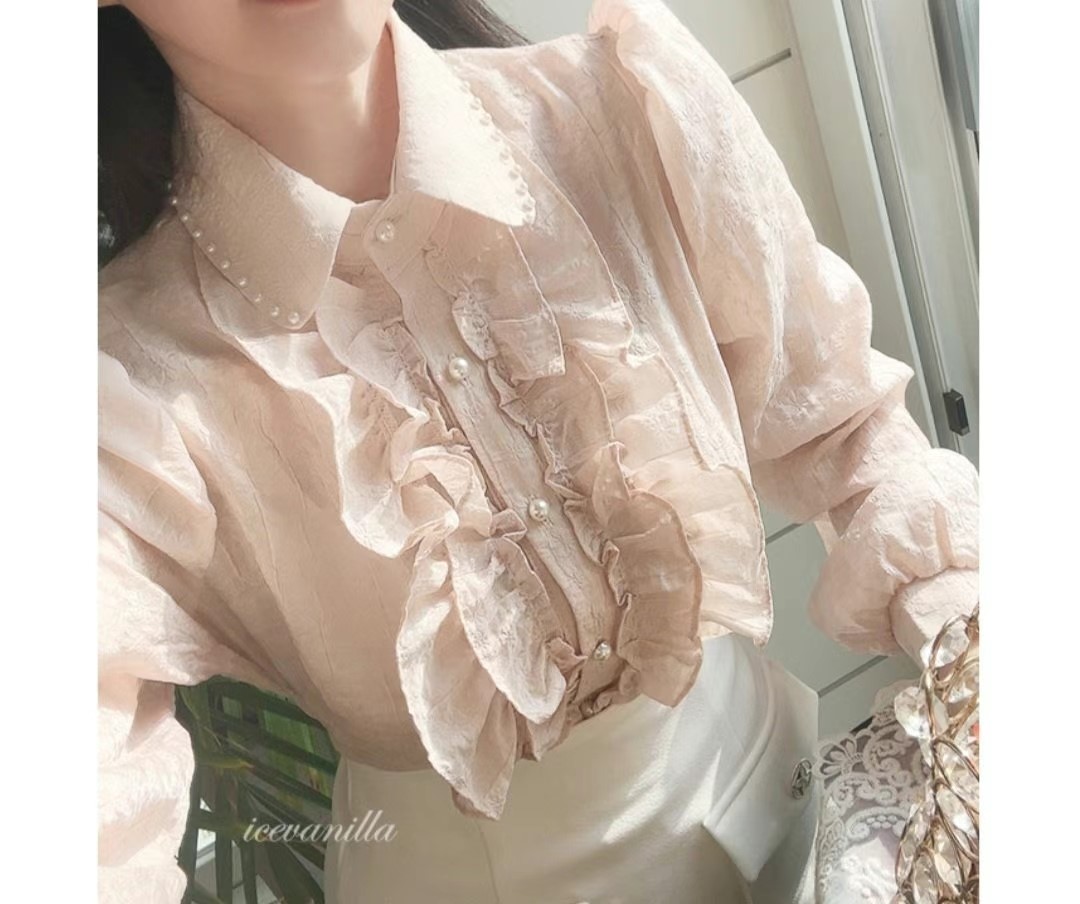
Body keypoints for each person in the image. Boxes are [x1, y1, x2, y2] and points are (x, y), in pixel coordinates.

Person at [97, 0, 980, 902]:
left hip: (793, 823)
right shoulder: (110, 395)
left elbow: (847, 430)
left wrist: (973, 659)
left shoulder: (627, 112)